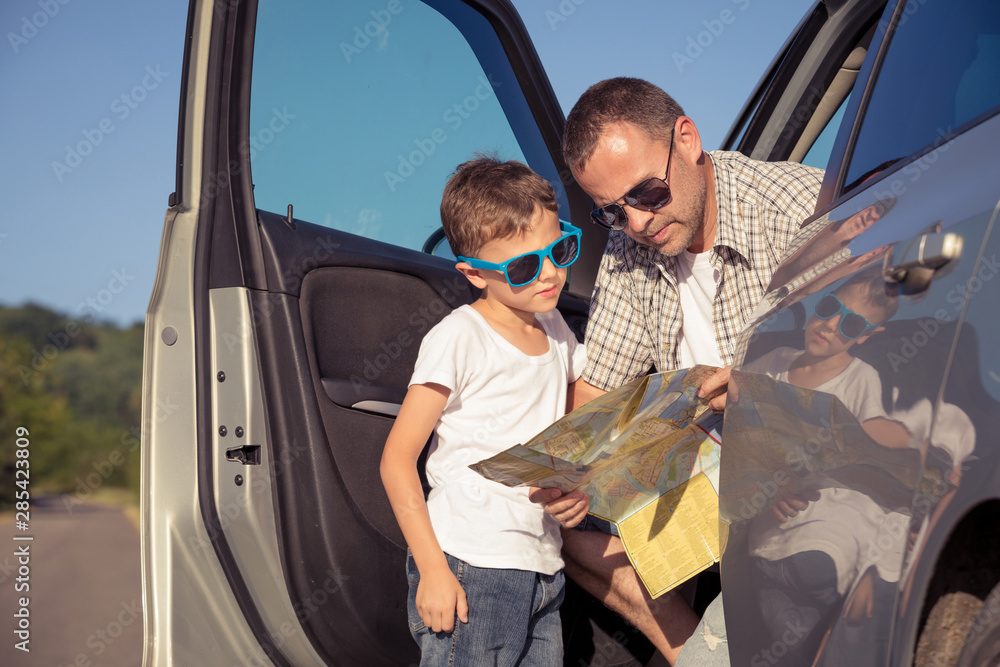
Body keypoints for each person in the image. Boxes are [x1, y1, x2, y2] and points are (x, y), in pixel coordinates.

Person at [536, 77, 826, 665]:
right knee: (544, 527)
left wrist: (755, 392)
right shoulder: (629, 248)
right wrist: (567, 474)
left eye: (646, 193)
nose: (637, 222)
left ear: (688, 139)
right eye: (611, 212)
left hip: (808, 455)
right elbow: (596, 392)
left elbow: (868, 367)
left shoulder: (799, 209)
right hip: (713, 460)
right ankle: (692, 648)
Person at [380, 156, 588, 665]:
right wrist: (432, 569)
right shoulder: (458, 337)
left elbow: (585, 421)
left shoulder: (555, 327)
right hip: (471, 562)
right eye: (522, 266)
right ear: (475, 274)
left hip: (542, 563)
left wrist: (582, 487)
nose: (551, 273)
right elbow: (396, 460)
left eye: (559, 249)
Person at [740, 268, 907, 665]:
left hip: (827, 539)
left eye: (849, 324)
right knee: (785, 639)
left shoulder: (860, 380)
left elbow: (874, 465)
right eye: (828, 307)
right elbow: (739, 431)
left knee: (802, 628)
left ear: (866, 336)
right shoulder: (773, 364)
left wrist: (869, 569)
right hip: (771, 542)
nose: (829, 325)